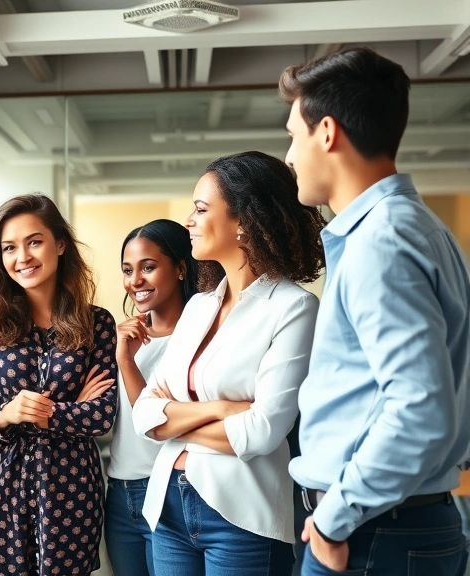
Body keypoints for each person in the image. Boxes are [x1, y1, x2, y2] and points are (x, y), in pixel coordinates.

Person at [282, 47, 470, 576]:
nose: (290, 156)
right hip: (395, 522)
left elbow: (420, 407)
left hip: (370, 532)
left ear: (327, 132)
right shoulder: (418, 227)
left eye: (293, 136)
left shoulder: (380, 241)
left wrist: (333, 520)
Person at [132, 151, 325, 576]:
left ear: (244, 221)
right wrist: (222, 409)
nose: (189, 221)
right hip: (167, 507)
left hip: (241, 516)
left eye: (201, 209)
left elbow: (261, 432)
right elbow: (143, 415)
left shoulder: (293, 308)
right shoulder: (199, 306)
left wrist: (172, 422)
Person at [0, 193, 118, 576]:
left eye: (34, 241)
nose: (23, 257)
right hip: (1, 491)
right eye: (9, 247)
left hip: (72, 491)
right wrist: (8, 413)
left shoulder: (97, 323)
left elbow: (102, 415)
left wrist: (45, 414)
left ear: (60, 244)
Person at [105, 219, 204, 576]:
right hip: (119, 492)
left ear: (180, 268)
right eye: (127, 270)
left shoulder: (198, 339)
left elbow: (155, 421)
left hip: (172, 490)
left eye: (148, 267)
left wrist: (126, 362)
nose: (135, 281)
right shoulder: (122, 338)